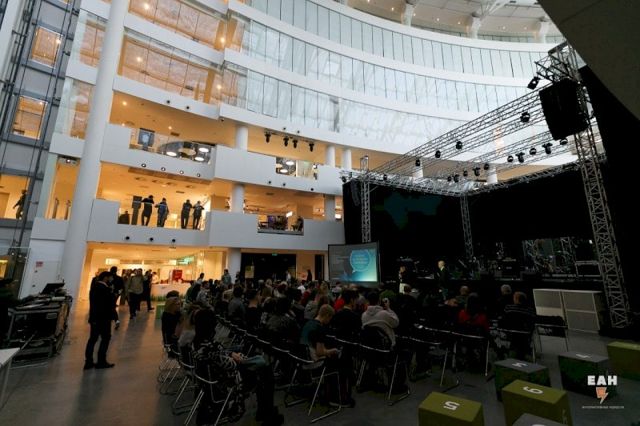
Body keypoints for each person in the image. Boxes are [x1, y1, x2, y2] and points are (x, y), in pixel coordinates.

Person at [192, 309, 284, 426]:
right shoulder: (209, 348)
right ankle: (267, 413)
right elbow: (229, 364)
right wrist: (237, 359)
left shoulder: (197, 343)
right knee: (265, 373)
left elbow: (221, 355)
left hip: (212, 382)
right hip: (226, 383)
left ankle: (265, 411)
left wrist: (231, 354)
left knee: (262, 371)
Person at [85, 271, 117, 369]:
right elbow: (110, 304)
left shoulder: (94, 287)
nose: (111, 279)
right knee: (105, 338)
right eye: (110, 277)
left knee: (92, 339)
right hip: (104, 319)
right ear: (106, 278)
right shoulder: (105, 289)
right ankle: (101, 361)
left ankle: (88, 362)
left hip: (95, 318)